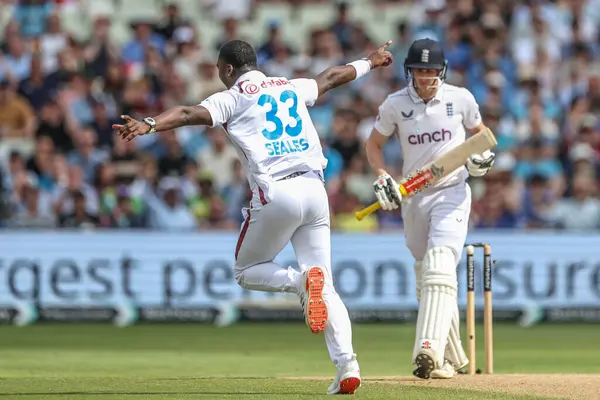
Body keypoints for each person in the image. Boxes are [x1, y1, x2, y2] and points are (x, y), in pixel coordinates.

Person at [114, 39, 393, 394]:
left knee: (246, 271)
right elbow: (333, 77)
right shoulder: (287, 86)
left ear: (228, 69)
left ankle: (298, 283)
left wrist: (149, 124)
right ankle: (348, 365)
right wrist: (370, 61)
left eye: (218, 69)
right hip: (315, 189)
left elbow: (187, 114)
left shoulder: (232, 96)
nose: (218, 75)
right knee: (325, 281)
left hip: (278, 193)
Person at [364, 38, 495, 380]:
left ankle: (428, 351)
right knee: (426, 273)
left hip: (452, 191)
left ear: (443, 70)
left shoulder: (461, 98)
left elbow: (480, 135)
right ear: (410, 71)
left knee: (439, 264)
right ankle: (454, 359)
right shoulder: (394, 105)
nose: (426, 77)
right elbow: (373, 145)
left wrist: (481, 160)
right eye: (420, 70)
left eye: (432, 70)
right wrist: (382, 176)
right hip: (413, 195)